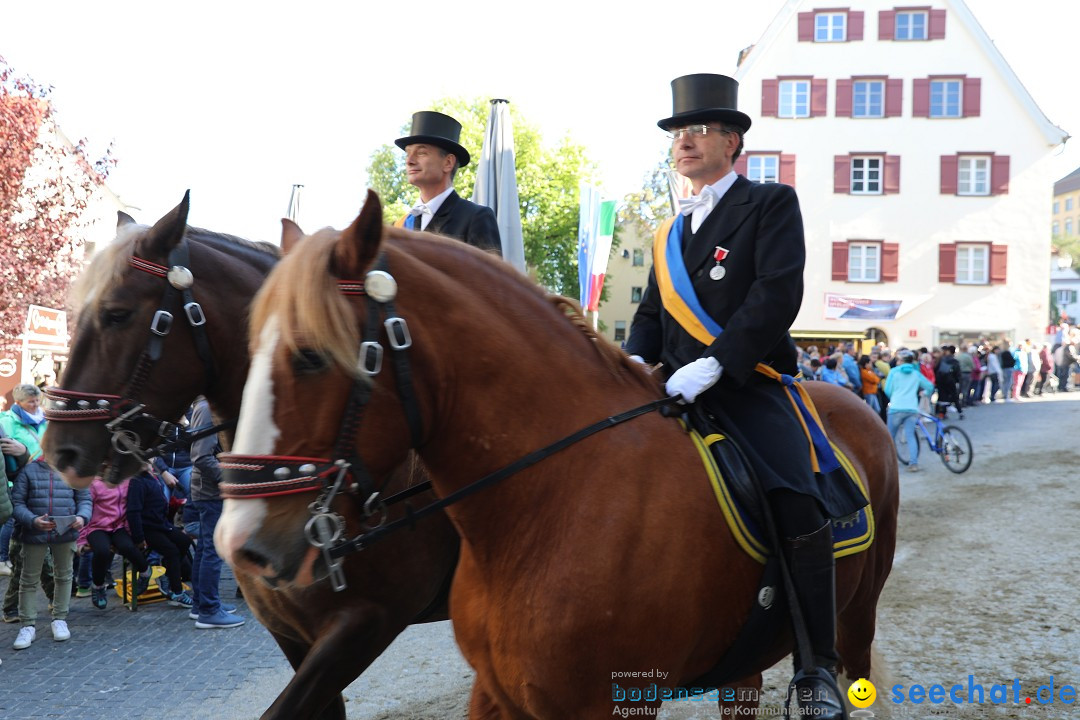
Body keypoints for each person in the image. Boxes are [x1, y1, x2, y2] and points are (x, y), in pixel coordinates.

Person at [625, 73, 865, 720]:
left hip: (746, 384)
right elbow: (651, 314)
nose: (684, 142)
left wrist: (716, 364)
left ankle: (817, 668)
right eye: (678, 132)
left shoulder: (769, 203)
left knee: (796, 499)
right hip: (669, 388)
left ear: (732, 141)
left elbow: (776, 296)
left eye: (698, 130)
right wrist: (627, 364)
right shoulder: (668, 231)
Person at [392, 110, 502, 253]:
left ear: (448, 162)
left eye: (421, 152)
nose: (409, 161)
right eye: (408, 153)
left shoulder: (475, 218)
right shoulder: (399, 226)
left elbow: (489, 275)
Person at [11, 456, 91, 649]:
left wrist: (82, 517)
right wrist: (33, 520)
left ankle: (60, 618)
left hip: (65, 532)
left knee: (64, 576)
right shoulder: (29, 471)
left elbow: (85, 499)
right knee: (28, 579)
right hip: (34, 534)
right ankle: (27, 624)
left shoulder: (74, 470)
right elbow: (17, 503)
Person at [187, 398, 244, 628]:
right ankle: (209, 610)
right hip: (211, 492)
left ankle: (201, 604)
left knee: (205, 549)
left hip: (209, 491)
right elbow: (200, 456)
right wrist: (228, 481)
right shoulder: (207, 408)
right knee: (212, 549)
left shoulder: (207, 407)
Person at [0, 384, 54, 623]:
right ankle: (52, 598)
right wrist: (23, 454)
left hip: (45, 486)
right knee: (29, 549)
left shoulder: (45, 420)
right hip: (19, 492)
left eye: (37, 401)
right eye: (30, 402)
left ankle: (13, 607)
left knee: (31, 550)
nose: (35, 405)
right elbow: (8, 464)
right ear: (18, 402)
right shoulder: (7, 423)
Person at [77, 475, 150, 610]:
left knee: (128, 547)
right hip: (97, 527)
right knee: (102, 550)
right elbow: (85, 509)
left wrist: (133, 533)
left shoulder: (127, 481)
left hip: (119, 526)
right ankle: (98, 586)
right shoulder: (94, 484)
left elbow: (131, 507)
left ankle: (145, 573)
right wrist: (81, 539)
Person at [126, 465, 193, 608]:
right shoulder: (136, 482)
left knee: (184, 541)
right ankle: (176, 592)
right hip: (147, 529)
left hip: (161, 525)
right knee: (172, 551)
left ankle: (168, 576)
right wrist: (139, 538)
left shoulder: (153, 478)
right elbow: (133, 512)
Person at [884, 350, 936, 473]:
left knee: (890, 437)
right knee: (910, 435)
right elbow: (929, 386)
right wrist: (925, 393)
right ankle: (913, 463)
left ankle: (889, 464)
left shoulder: (894, 372)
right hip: (912, 408)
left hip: (896, 407)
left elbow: (887, 389)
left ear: (901, 361)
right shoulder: (915, 373)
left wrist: (894, 397)